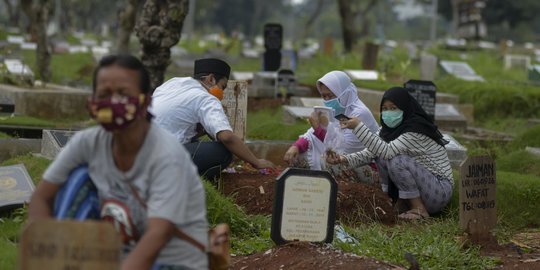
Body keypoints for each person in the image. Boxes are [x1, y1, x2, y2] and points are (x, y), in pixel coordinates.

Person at [28, 54, 209, 269]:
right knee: (78, 179)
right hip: (121, 251)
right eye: (104, 94)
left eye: (123, 94)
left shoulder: (167, 156)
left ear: (146, 102)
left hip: (172, 258)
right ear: (92, 102)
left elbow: (159, 234)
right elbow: (41, 196)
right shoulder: (87, 142)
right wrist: (46, 249)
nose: (113, 102)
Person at [327, 86, 454, 220]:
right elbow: (370, 153)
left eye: (394, 108)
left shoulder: (415, 130)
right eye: (385, 109)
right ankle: (388, 201)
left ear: (405, 108)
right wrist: (342, 159)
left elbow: (387, 152)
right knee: (380, 155)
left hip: (439, 190)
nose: (388, 113)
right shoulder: (386, 131)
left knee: (396, 160)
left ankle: (420, 209)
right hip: (423, 187)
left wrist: (358, 127)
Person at [151, 58, 275, 180]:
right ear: (211, 79)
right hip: (161, 157)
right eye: (223, 87)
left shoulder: (173, 84)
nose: (222, 93)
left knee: (198, 143)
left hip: (141, 149)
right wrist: (256, 162)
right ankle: (189, 182)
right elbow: (226, 137)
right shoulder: (206, 98)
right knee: (223, 152)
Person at [283, 70, 379, 183]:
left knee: (330, 162)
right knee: (299, 156)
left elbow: (343, 151)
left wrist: (318, 129)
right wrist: (296, 146)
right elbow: (311, 135)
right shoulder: (337, 110)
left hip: (366, 166)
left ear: (344, 93)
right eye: (324, 96)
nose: (327, 100)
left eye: (331, 95)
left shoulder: (359, 113)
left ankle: (338, 195)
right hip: (343, 160)